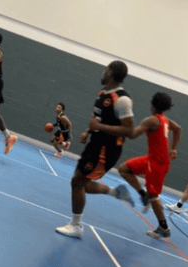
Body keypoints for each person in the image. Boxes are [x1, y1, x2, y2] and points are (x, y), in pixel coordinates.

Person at [56, 60, 135, 239]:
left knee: (77, 182)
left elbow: (129, 130)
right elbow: (97, 118)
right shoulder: (103, 94)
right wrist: (88, 130)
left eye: (106, 69)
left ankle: (76, 226)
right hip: (95, 143)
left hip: (106, 149)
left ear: (112, 73)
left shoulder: (122, 99)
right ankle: (116, 192)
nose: (103, 71)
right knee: (80, 183)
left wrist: (99, 126)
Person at [113, 92, 181, 239]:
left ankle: (164, 228)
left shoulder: (151, 120)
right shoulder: (165, 120)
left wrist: (120, 126)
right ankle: (142, 195)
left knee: (154, 196)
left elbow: (132, 134)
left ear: (153, 104)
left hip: (158, 163)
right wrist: (174, 148)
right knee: (123, 169)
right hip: (151, 159)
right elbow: (178, 129)